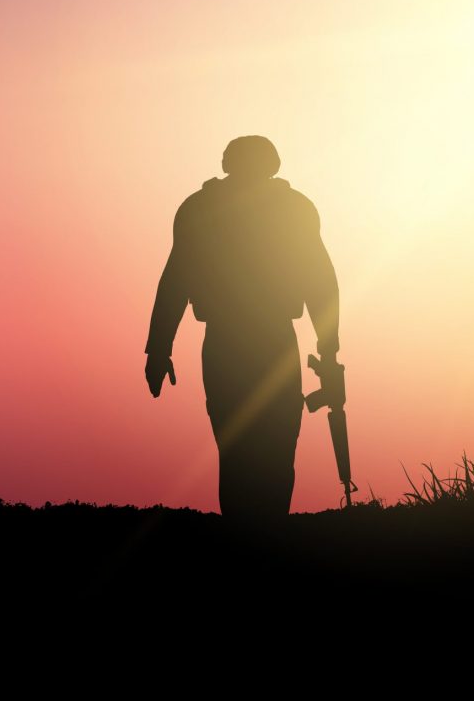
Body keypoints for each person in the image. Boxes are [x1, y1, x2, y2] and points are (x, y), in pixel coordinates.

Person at [144, 135, 340, 522]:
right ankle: (257, 535)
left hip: (242, 341)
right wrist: (158, 348)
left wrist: (159, 349)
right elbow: (321, 281)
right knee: (261, 443)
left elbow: (175, 280)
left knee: (258, 442)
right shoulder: (289, 209)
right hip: (258, 340)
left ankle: (256, 534)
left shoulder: (208, 208)